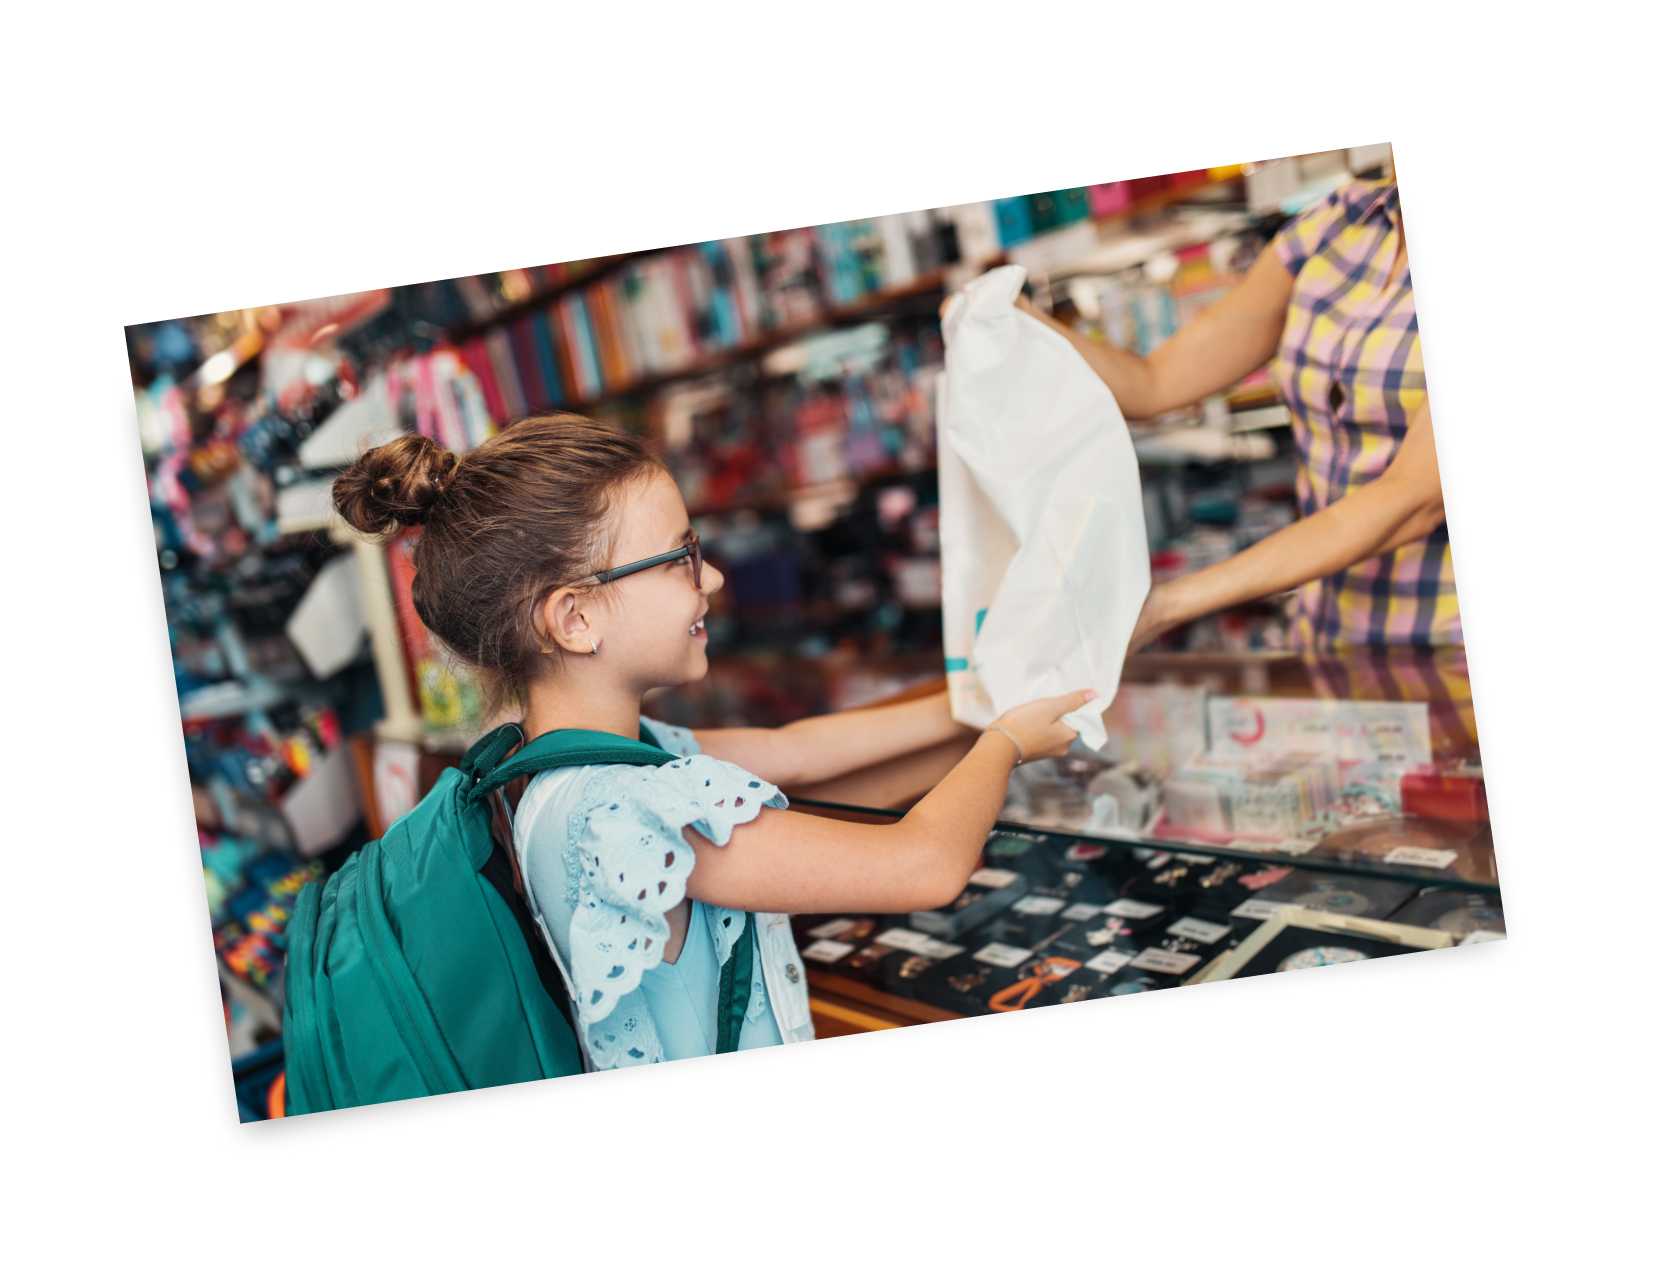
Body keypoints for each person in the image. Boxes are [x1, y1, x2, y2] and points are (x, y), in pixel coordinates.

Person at [333, 415, 1092, 1069]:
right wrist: (1004, 743)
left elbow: (800, 758)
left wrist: (990, 704)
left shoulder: (577, 764)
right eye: (679, 558)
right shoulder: (625, 815)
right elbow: (922, 866)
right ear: (575, 619)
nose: (716, 578)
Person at [963, 178, 1452, 660]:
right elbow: (1153, 383)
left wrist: (1168, 604)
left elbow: (1413, 500)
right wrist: (1015, 318)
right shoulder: (1337, 224)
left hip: (1442, 645)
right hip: (1328, 634)